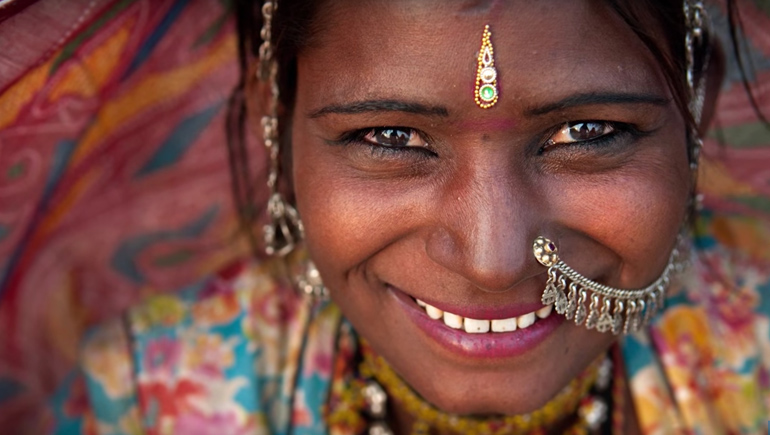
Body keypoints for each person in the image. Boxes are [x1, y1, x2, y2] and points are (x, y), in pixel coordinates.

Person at [48, 0, 770, 434]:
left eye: (586, 134)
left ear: (695, 109)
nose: (493, 259)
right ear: (277, 114)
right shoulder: (147, 398)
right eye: (391, 138)